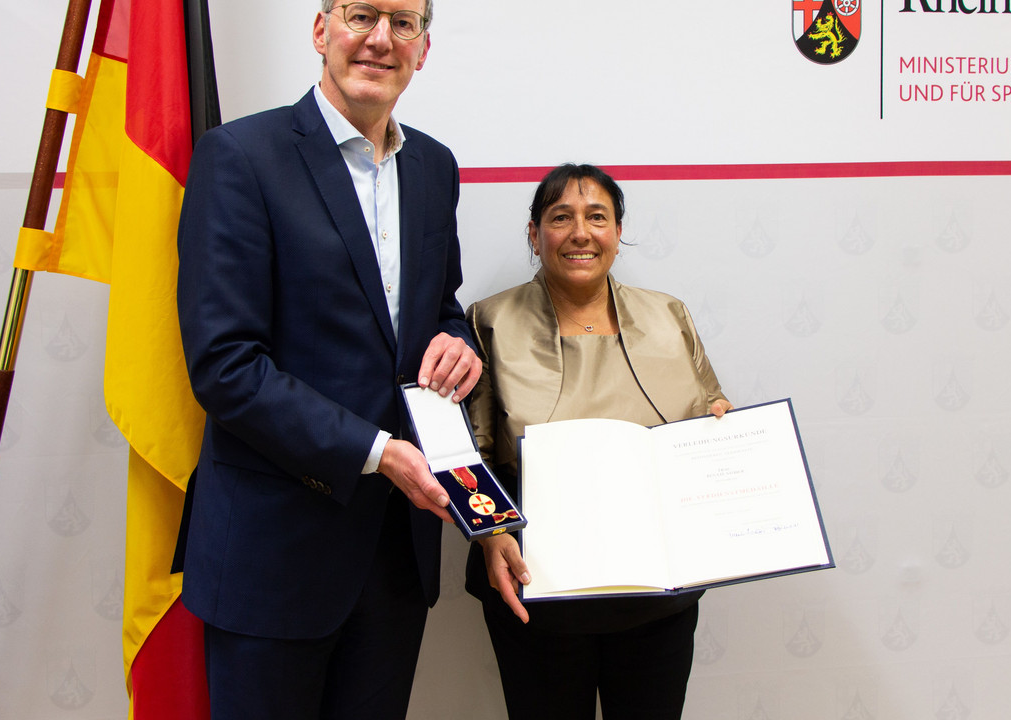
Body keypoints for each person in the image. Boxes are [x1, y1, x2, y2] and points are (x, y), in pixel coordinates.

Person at [174, 1, 480, 718]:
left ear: (423, 48)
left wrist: (458, 345)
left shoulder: (434, 167)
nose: (381, 38)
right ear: (321, 31)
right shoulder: (240, 156)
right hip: (273, 553)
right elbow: (225, 365)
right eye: (362, 15)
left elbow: (442, 308)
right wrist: (378, 451)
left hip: (395, 557)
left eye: (403, 23)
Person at [464, 163, 733, 720]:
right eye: (561, 218)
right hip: (536, 590)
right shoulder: (489, 320)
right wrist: (489, 536)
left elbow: (711, 409)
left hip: (659, 595)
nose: (580, 233)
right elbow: (468, 456)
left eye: (597, 218)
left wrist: (724, 435)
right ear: (534, 235)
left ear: (618, 232)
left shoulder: (668, 313)